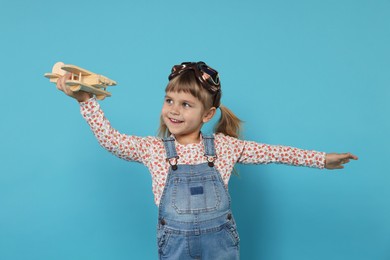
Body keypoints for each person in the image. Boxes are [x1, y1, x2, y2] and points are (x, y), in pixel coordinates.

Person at [56, 61, 358, 260]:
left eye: (186, 104)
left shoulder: (225, 147)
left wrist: (322, 159)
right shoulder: (153, 149)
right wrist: (86, 100)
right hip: (174, 249)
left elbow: (276, 152)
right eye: (169, 100)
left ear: (207, 114)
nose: (174, 110)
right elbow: (111, 140)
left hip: (220, 249)